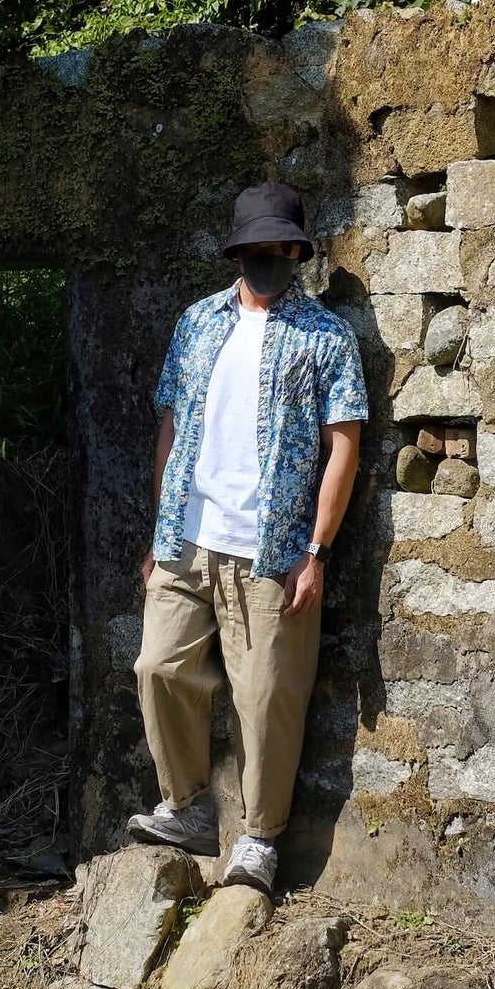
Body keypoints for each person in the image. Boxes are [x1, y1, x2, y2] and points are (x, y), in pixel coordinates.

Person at [128, 180, 367, 895]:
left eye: (278, 247)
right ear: (237, 250)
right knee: (157, 670)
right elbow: (169, 426)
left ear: (296, 250)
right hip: (186, 541)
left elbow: (344, 445)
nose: (267, 257)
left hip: (272, 549)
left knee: (266, 696)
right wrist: (158, 527)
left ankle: (259, 839)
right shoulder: (197, 323)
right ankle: (188, 806)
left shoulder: (325, 336)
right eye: (254, 247)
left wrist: (317, 552)